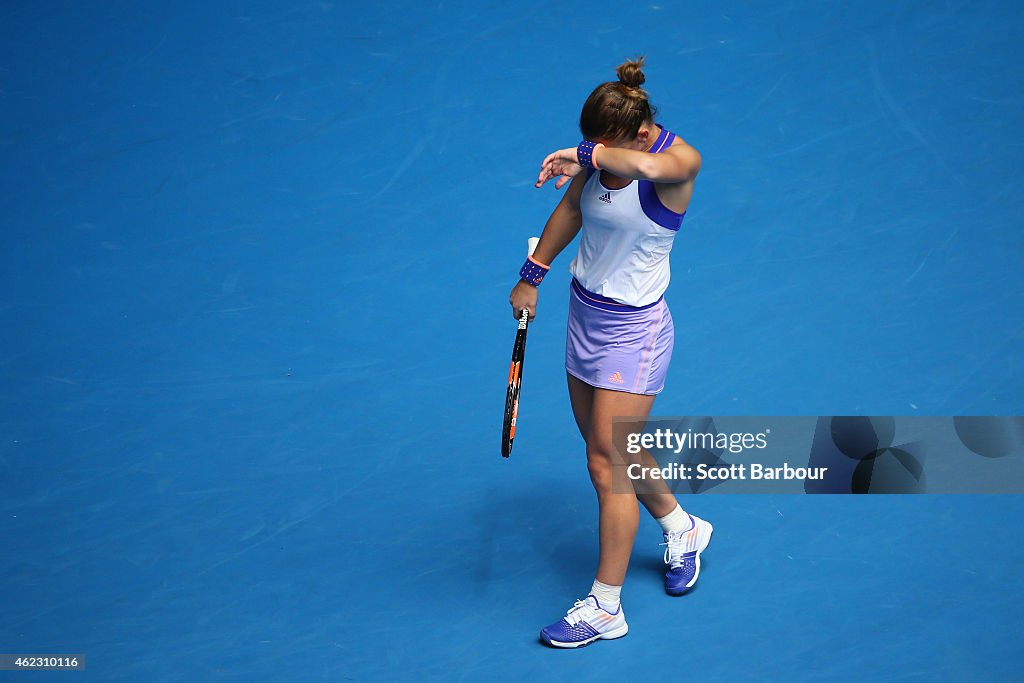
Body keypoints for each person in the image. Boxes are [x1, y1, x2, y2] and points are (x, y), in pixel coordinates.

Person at [509, 56, 713, 648]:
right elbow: (574, 207)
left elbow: (634, 164)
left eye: (600, 143)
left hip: (635, 332)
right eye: (587, 139)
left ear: (637, 132)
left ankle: (606, 607)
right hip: (584, 316)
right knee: (613, 448)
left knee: (607, 463)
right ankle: (683, 528)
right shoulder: (600, 159)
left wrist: (587, 155)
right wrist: (533, 273)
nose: (589, 150)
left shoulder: (678, 164)